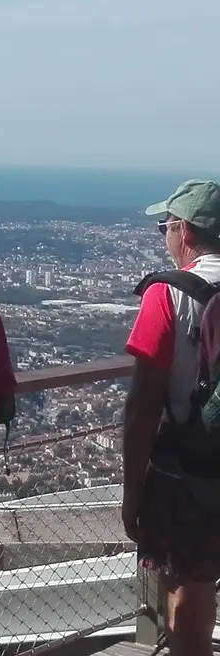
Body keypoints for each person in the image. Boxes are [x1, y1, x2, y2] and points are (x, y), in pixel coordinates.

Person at [124, 179, 220, 656]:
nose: (163, 234)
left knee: (189, 610)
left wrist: (132, 491)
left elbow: (143, 404)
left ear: (184, 230)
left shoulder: (168, 295)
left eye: (164, 225)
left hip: (189, 478)